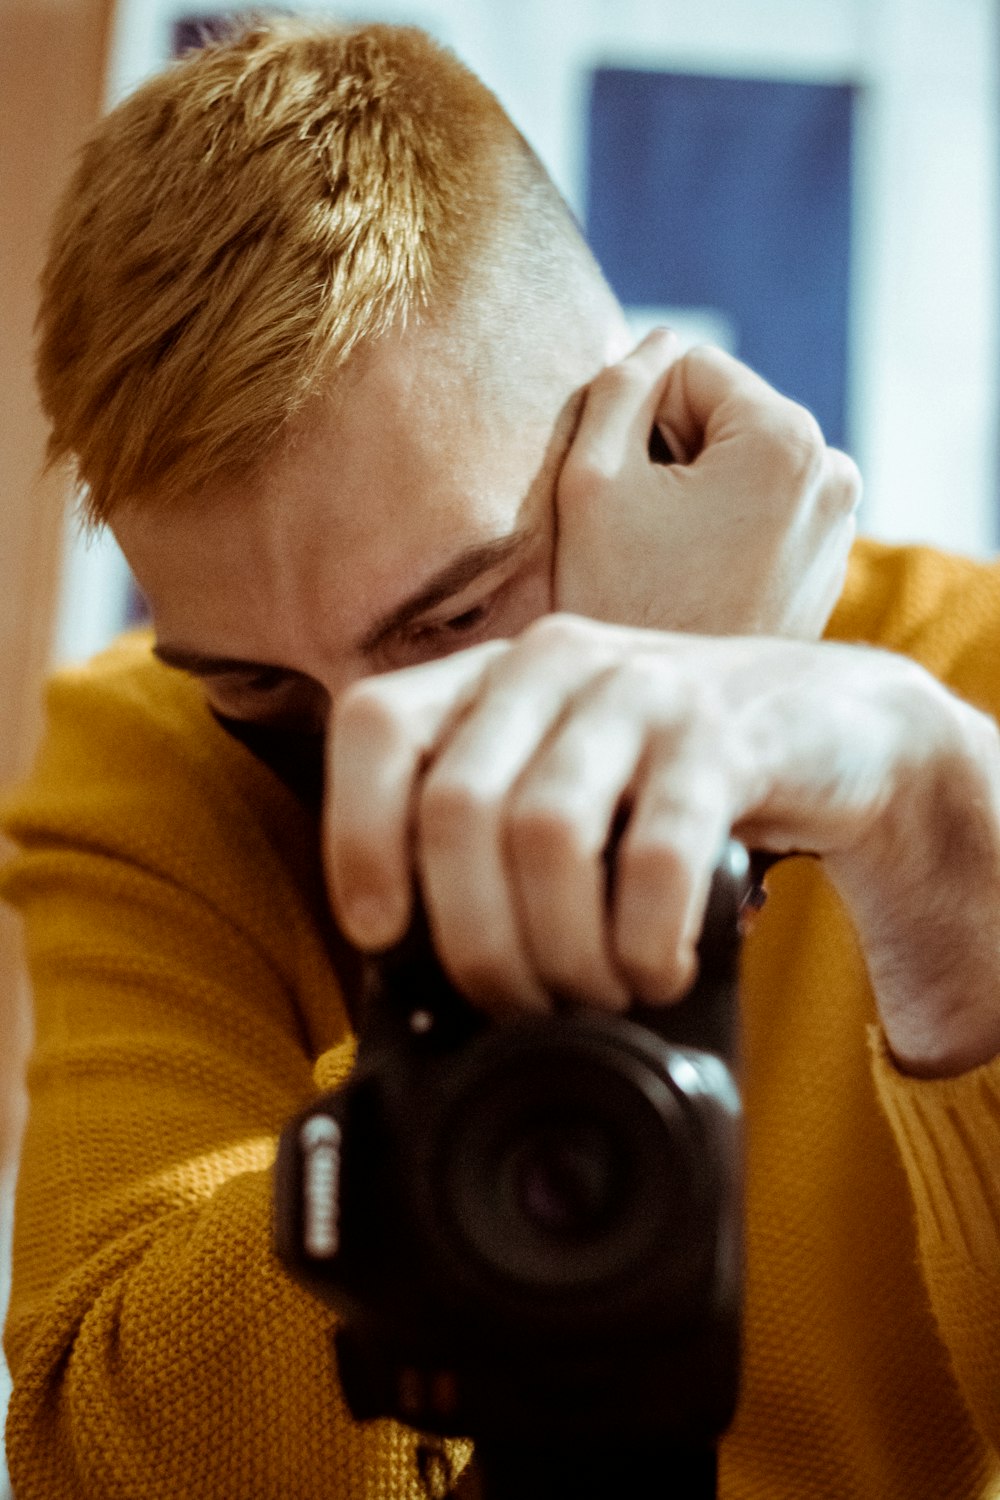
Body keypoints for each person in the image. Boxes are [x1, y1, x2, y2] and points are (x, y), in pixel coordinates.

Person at [2, 15, 998, 1499]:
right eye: (260, 687)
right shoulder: (142, 753)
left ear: (653, 436)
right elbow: (120, 1449)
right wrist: (589, 847)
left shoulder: (963, 697)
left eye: (452, 618)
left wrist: (935, 832)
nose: (375, 752)